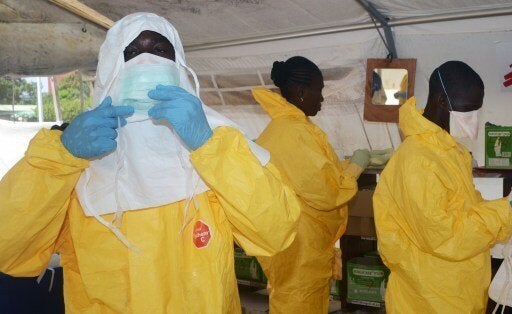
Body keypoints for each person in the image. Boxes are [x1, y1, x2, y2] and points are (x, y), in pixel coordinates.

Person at [0, 12, 300, 312]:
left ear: (179, 63)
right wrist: (60, 158)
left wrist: (209, 146)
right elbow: (10, 251)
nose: (145, 61)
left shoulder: (217, 143)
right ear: (109, 68)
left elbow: (277, 230)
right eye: (130, 53)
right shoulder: (77, 159)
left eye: (159, 50)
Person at [373, 61, 512, 313]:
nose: (474, 121)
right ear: (442, 100)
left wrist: (507, 206)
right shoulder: (419, 161)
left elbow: (465, 208)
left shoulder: (448, 152)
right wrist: (507, 212)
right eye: (468, 111)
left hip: (457, 289)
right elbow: (443, 236)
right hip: (428, 298)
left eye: (478, 111)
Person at [251, 56, 370, 313]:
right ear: (302, 92)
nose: (322, 98)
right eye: (320, 91)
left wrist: (347, 166)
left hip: (297, 246)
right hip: (300, 248)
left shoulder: (288, 129)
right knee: (298, 302)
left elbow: (319, 173)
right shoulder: (293, 134)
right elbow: (327, 192)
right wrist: (355, 169)